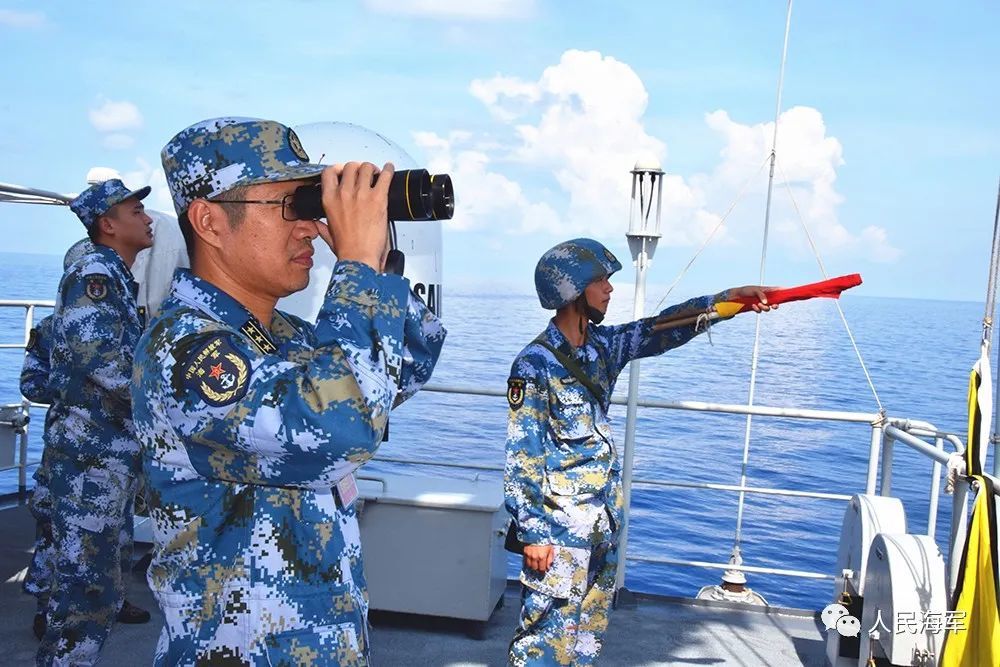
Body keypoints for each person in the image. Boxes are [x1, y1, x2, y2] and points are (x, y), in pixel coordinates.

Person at [131, 117, 446, 665]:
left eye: (310, 206)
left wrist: (380, 265)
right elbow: (340, 429)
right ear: (208, 220)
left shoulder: (286, 338)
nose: (307, 227)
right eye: (289, 207)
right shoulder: (185, 349)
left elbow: (403, 375)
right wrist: (356, 272)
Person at [504, 238, 775, 666]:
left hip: (601, 522)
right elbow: (523, 454)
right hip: (559, 533)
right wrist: (533, 531)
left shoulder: (601, 348)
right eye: (600, 281)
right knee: (543, 642)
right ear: (572, 290)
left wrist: (727, 302)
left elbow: (661, 329)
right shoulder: (533, 365)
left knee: (585, 639)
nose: (610, 290)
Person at [38, 180, 154, 666]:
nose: (146, 218)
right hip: (91, 458)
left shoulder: (115, 276)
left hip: (107, 453)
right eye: (135, 210)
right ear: (108, 224)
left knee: (97, 582)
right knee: (85, 592)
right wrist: (164, 408)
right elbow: (102, 360)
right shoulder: (94, 275)